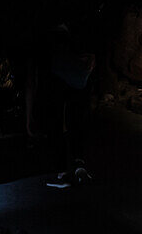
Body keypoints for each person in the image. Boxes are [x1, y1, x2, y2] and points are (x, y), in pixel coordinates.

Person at [25, 23, 96, 188]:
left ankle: (62, 172)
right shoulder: (72, 35)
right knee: (75, 118)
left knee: (54, 118)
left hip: (56, 75)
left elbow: (30, 82)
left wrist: (29, 117)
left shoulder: (38, 44)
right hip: (78, 77)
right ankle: (79, 164)